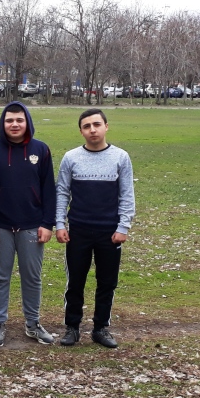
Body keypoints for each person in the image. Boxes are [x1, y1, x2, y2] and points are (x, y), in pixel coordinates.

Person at [55, 108, 135, 349]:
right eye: (87, 126)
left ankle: (101, 328)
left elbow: (126, 194)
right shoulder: (71, 158)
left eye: (96, 124)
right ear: (81, 131)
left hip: (109, 233)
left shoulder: (120, 157)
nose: (92, 130)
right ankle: (72, 327)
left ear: (106, 126)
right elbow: (62, 192)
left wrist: (123, 227)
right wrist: (60, 224)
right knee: (75, 281)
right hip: (78, 231)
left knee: (107, 282)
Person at [0, 102, 56, 347]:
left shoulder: (41, 150)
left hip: (32, 226)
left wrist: (47, 223)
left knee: (32, 277)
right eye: (9, 120)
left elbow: (48, 189)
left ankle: (32, 323)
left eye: (19, 120)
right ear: (2, 123)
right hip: (0, 227)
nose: (14, 124)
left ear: (27, 122)